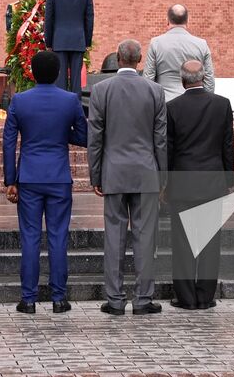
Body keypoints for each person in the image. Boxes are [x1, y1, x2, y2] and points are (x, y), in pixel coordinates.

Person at [2, 49, 87, 314]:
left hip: (28, 177)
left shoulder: (20, 101)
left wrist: (10, 180)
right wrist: (61, 136)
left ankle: (28, 299)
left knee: (29, 238)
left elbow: (8, 141)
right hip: (59, 177)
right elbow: (84, 136)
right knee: (58, 237)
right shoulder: (70, 100)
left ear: (32, 73)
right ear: (59, 73)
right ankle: (59, 298)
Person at [88, 38, 167, 316]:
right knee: (146, 238)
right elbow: (160, 139)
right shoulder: (155, 91)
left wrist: (95, 174)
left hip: (114, 172)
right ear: (139, 59)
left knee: (114, 236)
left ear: (119, 58)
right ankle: (143, 299)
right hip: (146, 173)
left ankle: (115, 299)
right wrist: (163, 178)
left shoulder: (100, 90)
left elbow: (95, 138)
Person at [165, 59, 234, 310]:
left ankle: (185, 296)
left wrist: (165, 183)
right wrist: (228, 180)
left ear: (182, 80)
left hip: (182, 183)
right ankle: (205, 295)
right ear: (203, 78)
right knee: (209, 243)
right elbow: (227, 144)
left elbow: (168, 150)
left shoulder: (172, 107)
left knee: (182, 242)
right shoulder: (222, 105)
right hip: (212, 182)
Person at [145, 4, 215, 101]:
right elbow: (209, 81)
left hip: (165, 103)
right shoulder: (201, 44)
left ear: (167, 20)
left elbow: (149, 79)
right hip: (194, 103)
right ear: (188, 21)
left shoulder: (156, 43)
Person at [43, 0, 93, 94]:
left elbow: (49, 18)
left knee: (60, 80)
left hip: (59, 41)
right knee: (76, 82)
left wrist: (48, 41)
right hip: (78, 40)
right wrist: (87, 42)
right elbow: (89, 19)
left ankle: (61, 110)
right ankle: (76, 110)